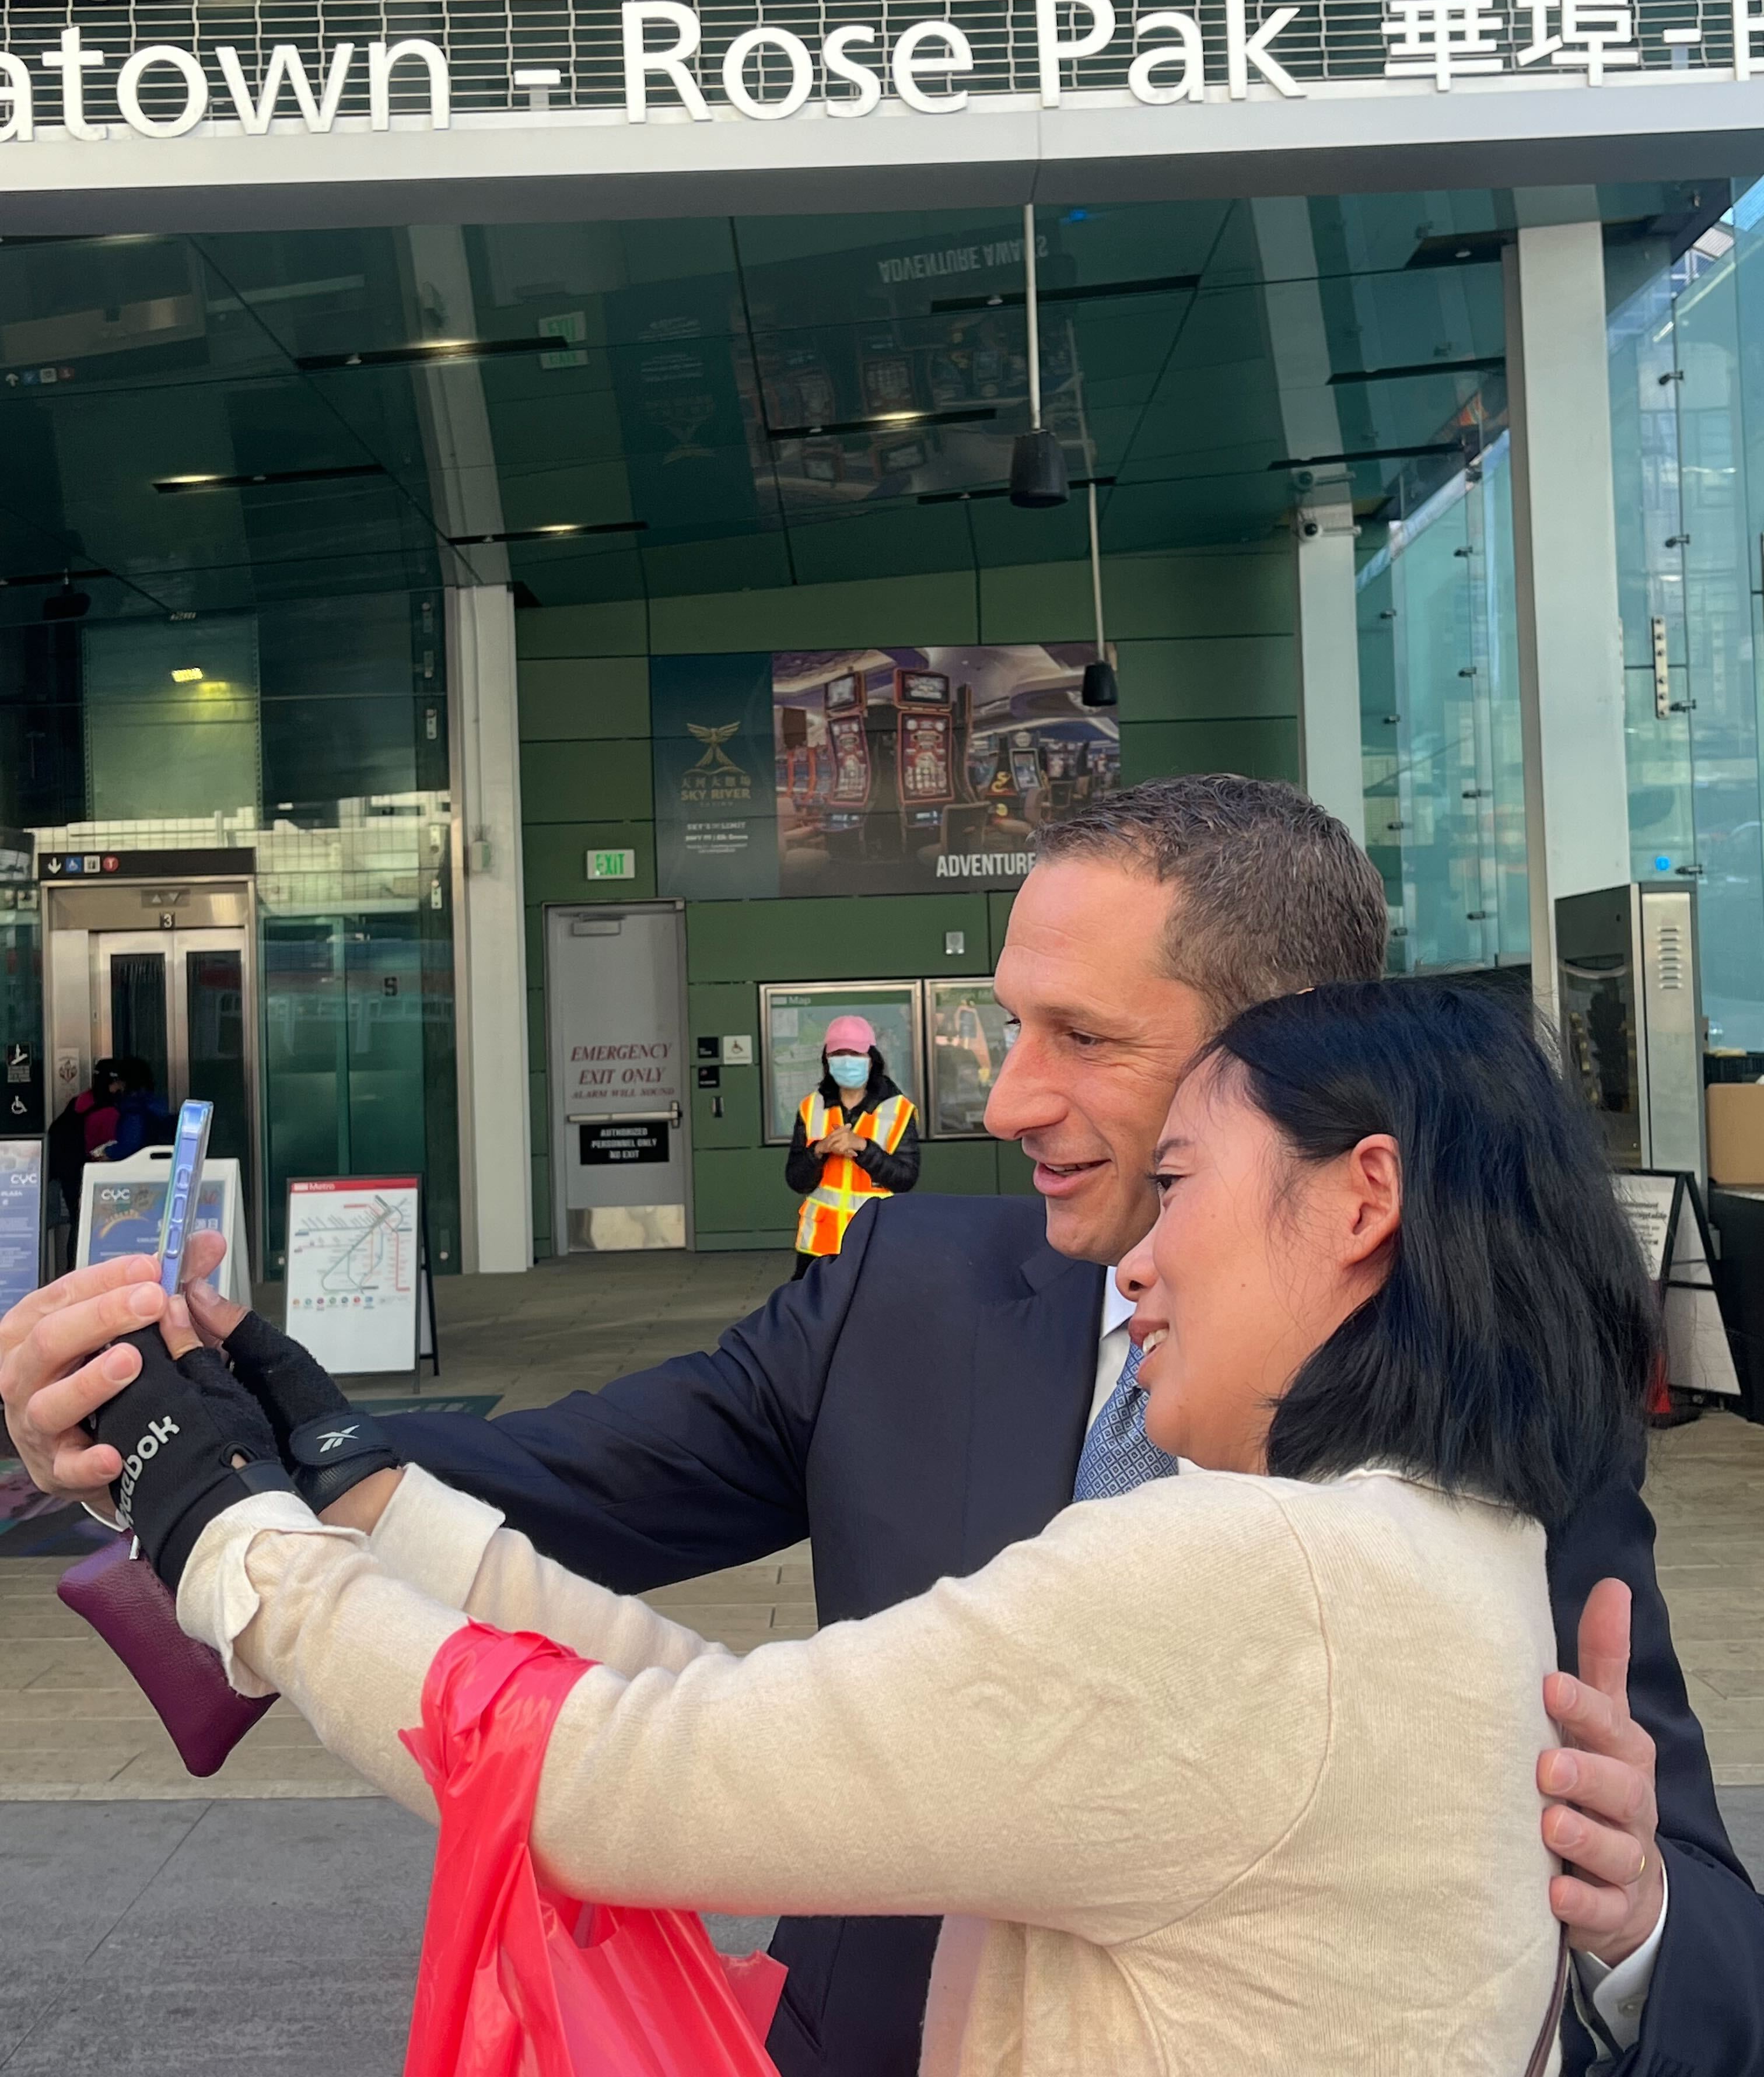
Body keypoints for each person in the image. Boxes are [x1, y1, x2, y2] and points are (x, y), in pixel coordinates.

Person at [8, 777, 1762, 2074]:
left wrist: (1625, 1933)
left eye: (1082, 1038)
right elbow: (630, 1571)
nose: (1004, 1102)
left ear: (1303, 1073)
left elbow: (609, 1782)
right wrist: (256, 1435)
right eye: (1006, 1026)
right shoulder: (909, 1288)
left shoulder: (1401, 1513)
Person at [782, 1013, 919, 1277]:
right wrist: (819, 1152)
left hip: (876, 1242)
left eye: (855, 1054)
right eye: (839, 1054)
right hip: (819, 1247)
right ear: (827, 1060)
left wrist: (864, 1148)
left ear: (872, 1060)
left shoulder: (898, 1110)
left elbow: (905, 1179)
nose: (847, 1061)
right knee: (811, 1314)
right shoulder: (812, 1107)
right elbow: (796, 1180)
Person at [46, 1056, 122, 1251]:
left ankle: (72, 1267)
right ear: (114, 1082)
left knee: (78, 1223)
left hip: (68, 1172)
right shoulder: (109, 1112)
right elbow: (104, 1152)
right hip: (89, 1174)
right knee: (97, 1227)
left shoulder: (81, 1101)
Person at [107, 1056, 174, 1161]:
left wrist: (108, 1152)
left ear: (124, 1082)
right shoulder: (158, 1105)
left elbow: (129, 1145)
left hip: (138, 1168)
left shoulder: (133, 1110)